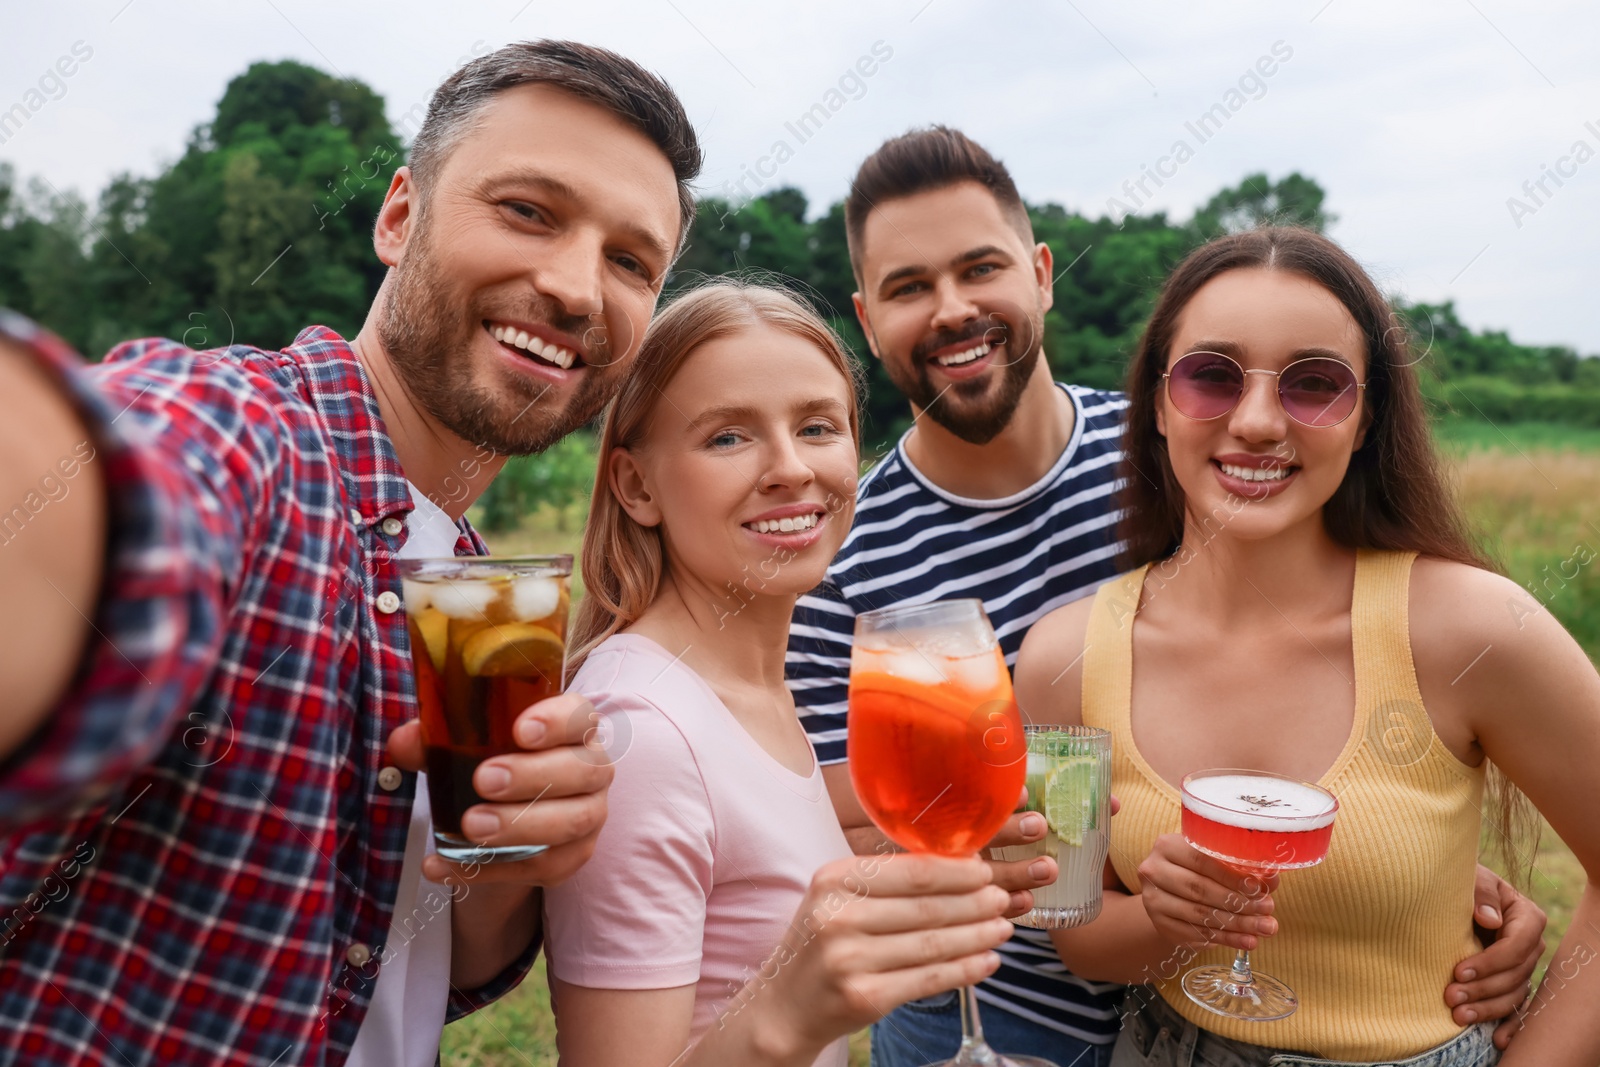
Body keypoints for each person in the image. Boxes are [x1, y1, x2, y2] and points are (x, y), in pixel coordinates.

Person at [0, 40, 700, 1067]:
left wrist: (510, 854)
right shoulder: (244, 432)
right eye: (527, 211)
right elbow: (129, 500)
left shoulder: (475, 582)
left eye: (630, 261)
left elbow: (408, 963)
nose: (576, 287)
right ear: (399, 217)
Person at [785, 128, 1548, 1066]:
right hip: (989, 1006)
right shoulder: (834, 555)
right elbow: (874, 833)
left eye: (980, 268)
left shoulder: (1200, 449)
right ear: (868, 318)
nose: (951, 309)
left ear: (1040, 273)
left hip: (1210, 1007)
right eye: (908, 286)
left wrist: (1407, 875)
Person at [1016, 226, 1599, 1065]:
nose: (1256, 421)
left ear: (1365, 421)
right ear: (1155, 401)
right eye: (1211, 375)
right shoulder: (1060, 659)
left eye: (1314, 385)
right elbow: (1075, 932)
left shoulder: (1473, 630)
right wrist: (1162, 921)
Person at [539, 280, 1016, 1067]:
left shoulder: (748, 683)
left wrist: (902, 896)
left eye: (819, 426)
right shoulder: (644, 735)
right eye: (729, 437)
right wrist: (787, 1012)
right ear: (636, 485)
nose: (792, 469)